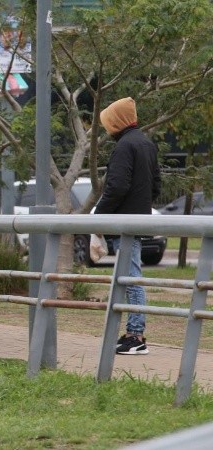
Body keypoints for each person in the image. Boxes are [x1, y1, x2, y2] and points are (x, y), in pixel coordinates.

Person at [95, 97, 160, 356]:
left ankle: (136, 334)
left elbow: (117, 186)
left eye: (108, 122)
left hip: (124, 221)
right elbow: (156, 185)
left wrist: (99, 215)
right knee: (129, 276)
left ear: (117, 121)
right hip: (139, 217)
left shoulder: (124, 146)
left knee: (131, 278)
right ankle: (133, 332)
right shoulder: (146, 143)